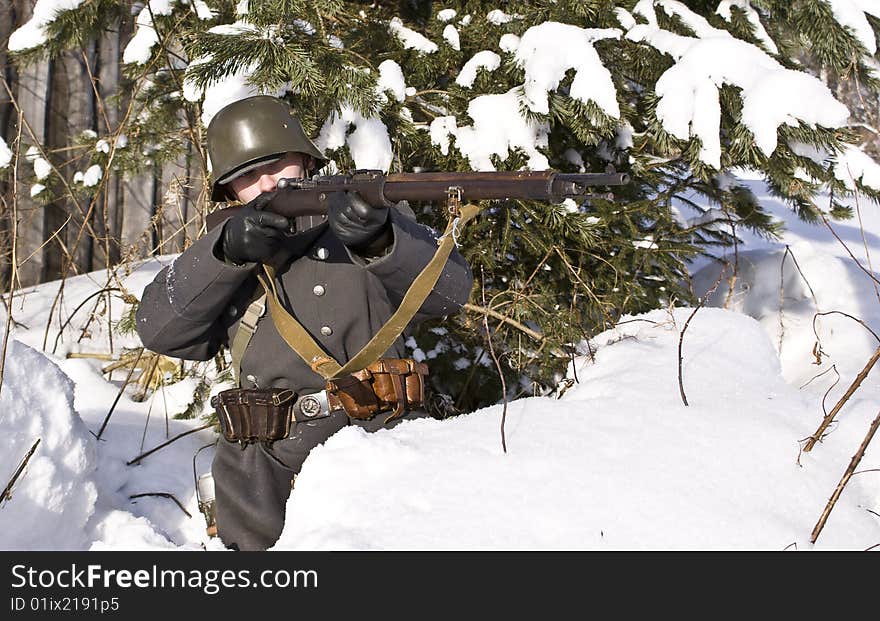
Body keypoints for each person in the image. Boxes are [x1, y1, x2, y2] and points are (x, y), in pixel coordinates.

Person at [136, 95, 473, 550]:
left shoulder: (372, 216)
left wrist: (380, 239)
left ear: (304, 159)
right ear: (231, 192)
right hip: (260, 474)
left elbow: (451, 293)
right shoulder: (224, 248)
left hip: (376, 452)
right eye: (246, 178)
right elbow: (158, 329)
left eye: (276, 165)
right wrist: (226, 254)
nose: (267, 184)